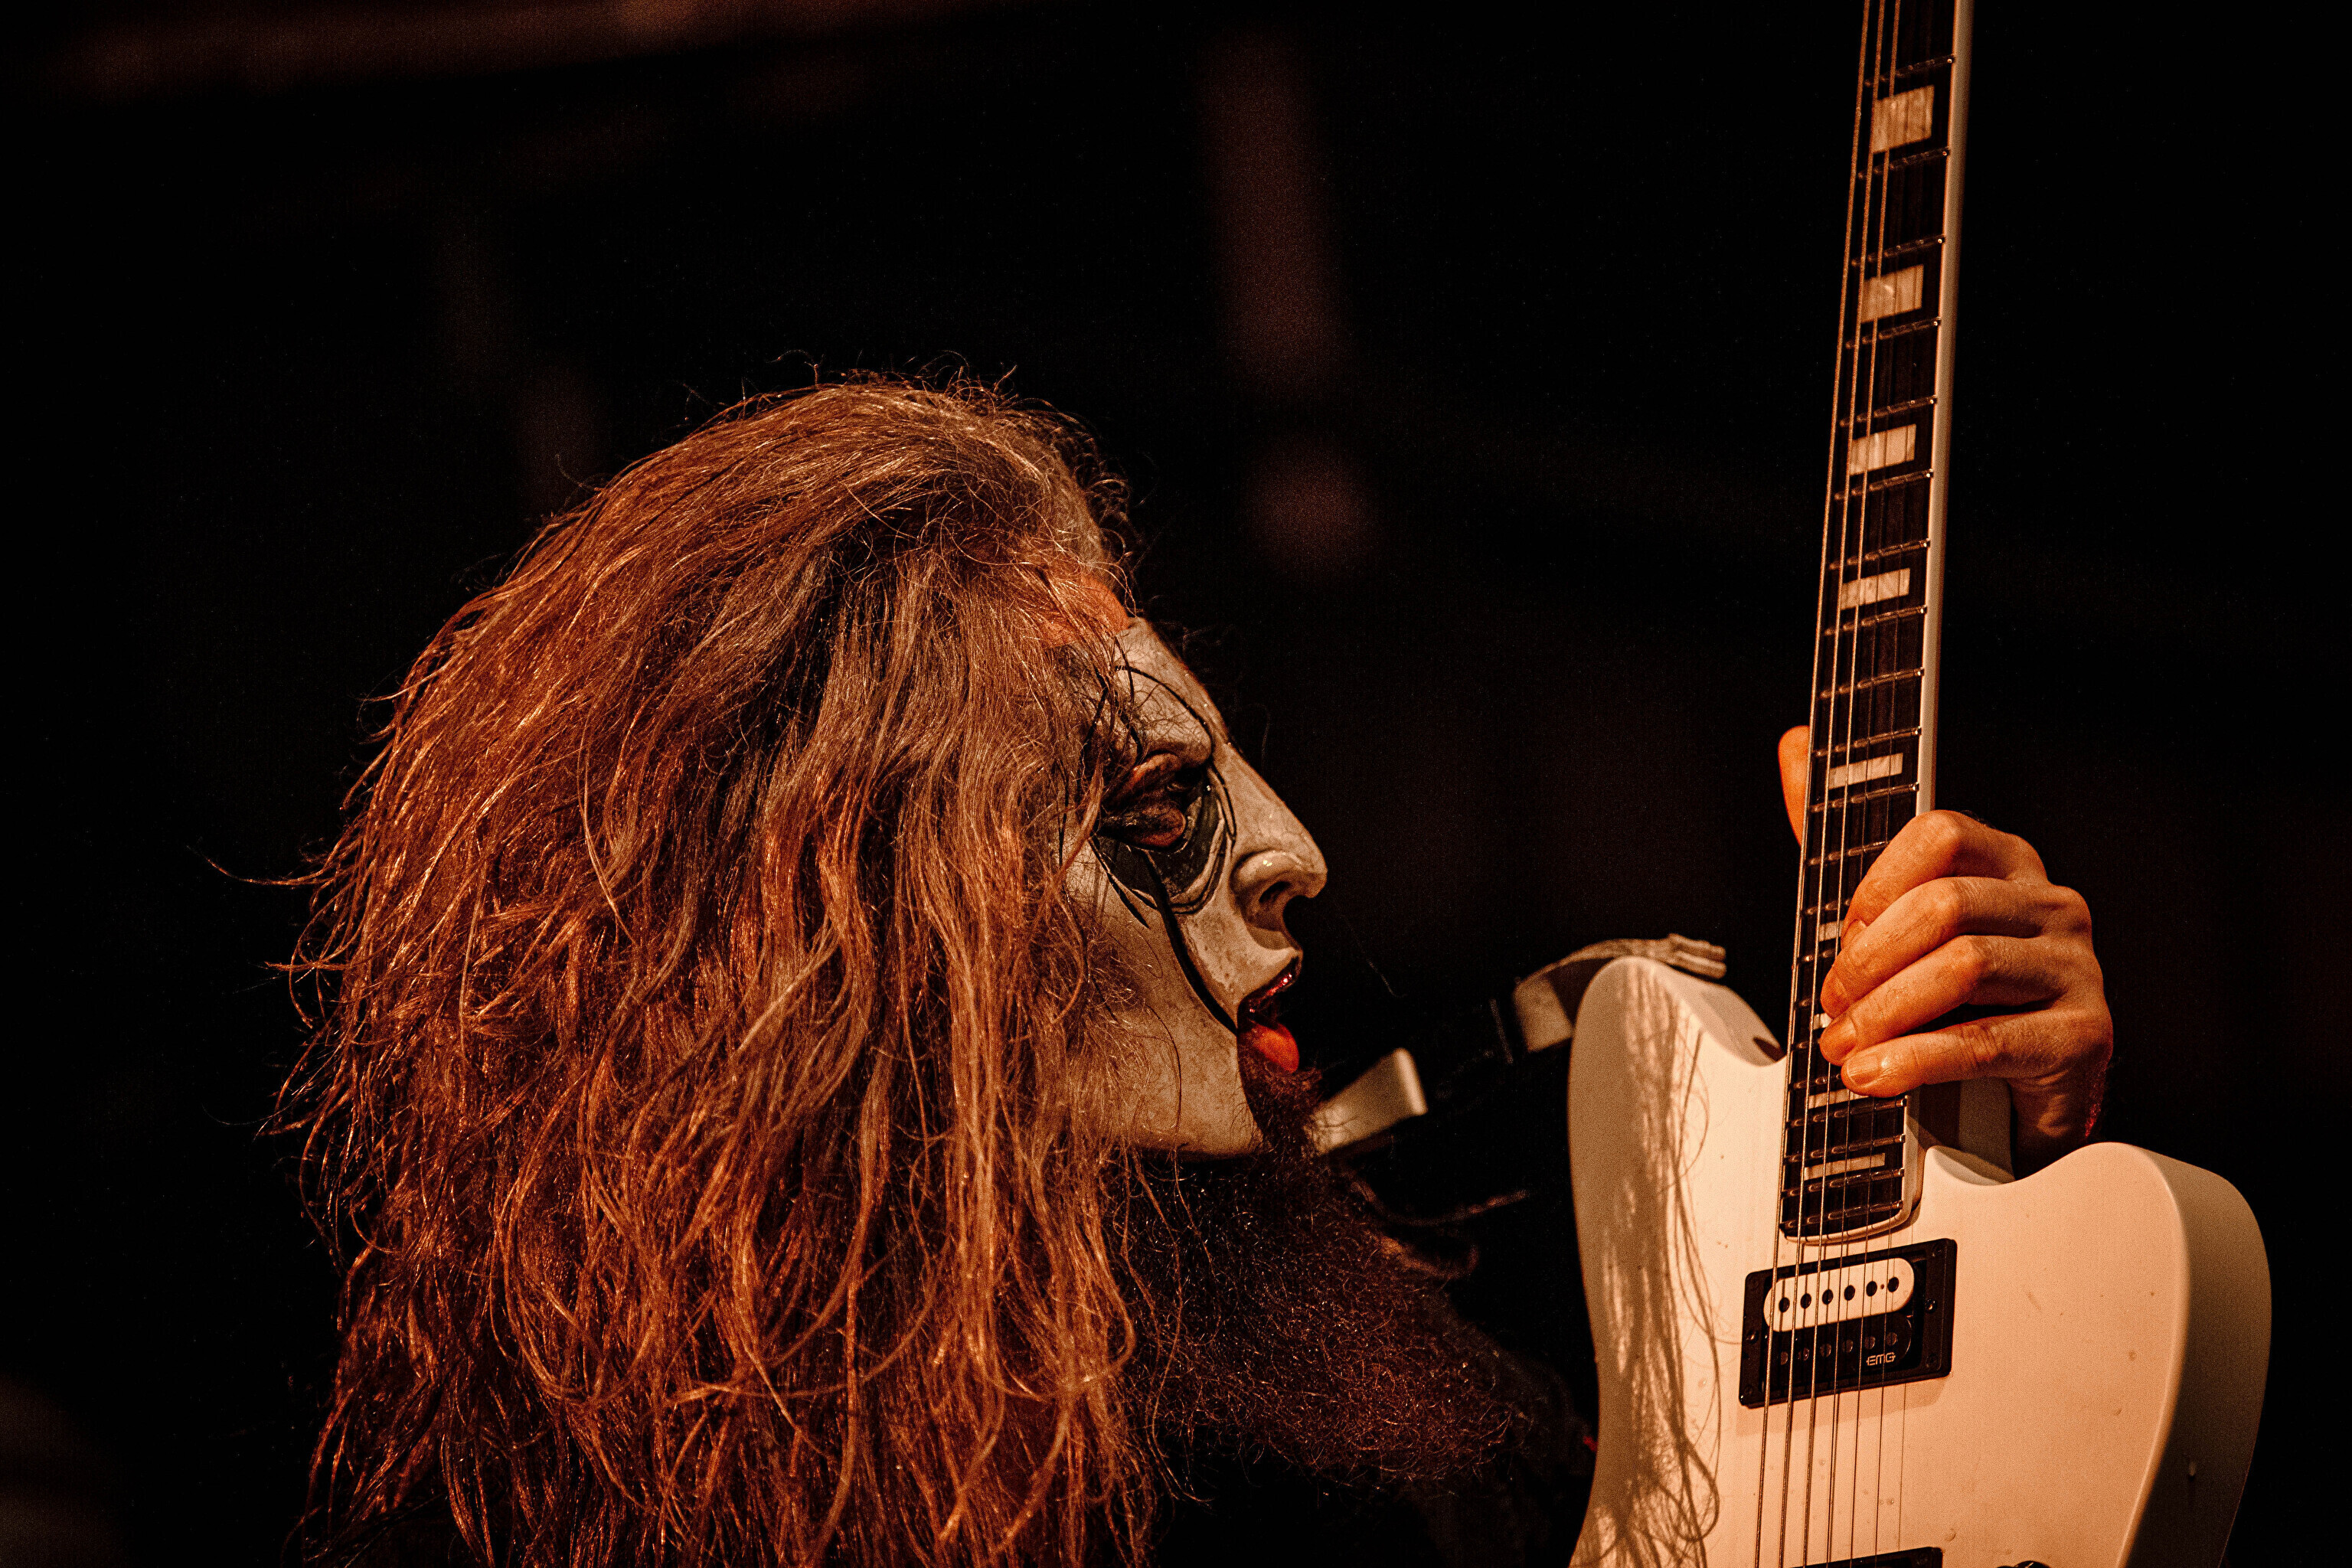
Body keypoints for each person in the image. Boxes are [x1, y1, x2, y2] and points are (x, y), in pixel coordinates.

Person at [281, 378, 2110, 1566]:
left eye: (1224, 769)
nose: (1294, 847)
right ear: (858, 936)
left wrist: (1989, 1178)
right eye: (1159, 806)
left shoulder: (1404, 1427)